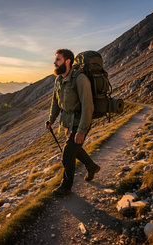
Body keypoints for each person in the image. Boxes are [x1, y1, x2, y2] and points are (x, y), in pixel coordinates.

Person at [46, 48, 100, 197]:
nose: (55, 62)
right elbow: (55, 103)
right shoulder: (59, 80)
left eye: (58, 59)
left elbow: (88, 106)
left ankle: (66, 186)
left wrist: (82, 130)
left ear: (67, 61)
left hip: (80, 120)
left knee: (68, 152)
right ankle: (92, 166)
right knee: (74, 148)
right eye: (55, 59)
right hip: (67, 122)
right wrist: (51, 120)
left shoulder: (80, 79)